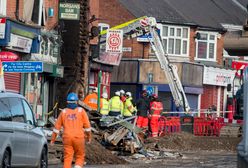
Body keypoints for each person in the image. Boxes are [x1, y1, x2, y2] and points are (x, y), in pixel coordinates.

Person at [50, 92, 91, 168]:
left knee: (68, 158)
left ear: (67, 102)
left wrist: (52, 140)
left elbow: (56, 128)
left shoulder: (64, 112)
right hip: (79, 138)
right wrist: (89, 138)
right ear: (76, 101)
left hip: (67, 138)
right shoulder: (81, 111)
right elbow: (87, 127)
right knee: (80, 156)